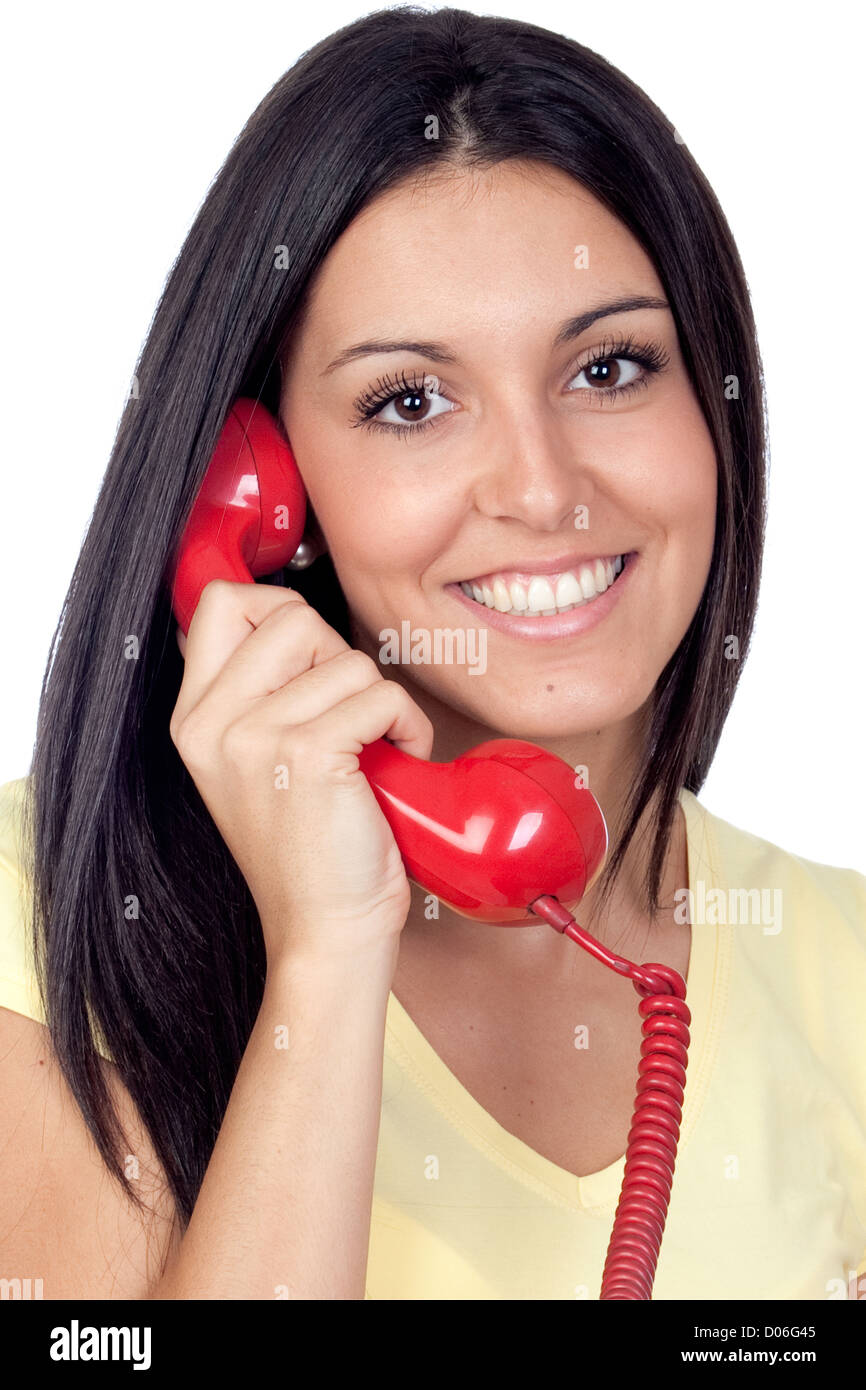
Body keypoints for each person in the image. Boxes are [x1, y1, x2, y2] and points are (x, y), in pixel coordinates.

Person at [0, 6, 863, 1301]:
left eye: (609, 368)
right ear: (263, 478)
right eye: (410, 400)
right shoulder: (43, 922)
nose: (541, 487)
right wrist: (328, 949)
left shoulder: (842, 966)